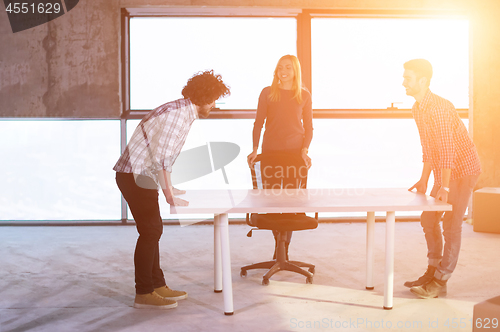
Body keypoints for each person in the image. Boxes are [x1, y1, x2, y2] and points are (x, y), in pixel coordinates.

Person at [114, 70, 230, 309]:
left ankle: (157, 285)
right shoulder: (177, 115)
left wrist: (169, 186)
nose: (215, 104)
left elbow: (163, 155)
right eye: (214, 98)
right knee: (150, 232)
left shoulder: (182, 112)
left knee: (153, 231)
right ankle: (143, 293)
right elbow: (161, 158)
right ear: (205, 96)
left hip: (141, 176)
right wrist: (167, 193)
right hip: (135, 177)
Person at [402, 59, 481, 298]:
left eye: (408, 78)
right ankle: (432, 270)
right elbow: (428, 148)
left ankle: (441, 281)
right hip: (444, 171)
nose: (403, 82)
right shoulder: (417, 108)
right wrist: (424, 180)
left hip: (463, 170)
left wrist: (444, 186)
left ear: (423, 81)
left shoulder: (439, 107)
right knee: (428, 219)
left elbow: (448, 150)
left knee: (451, 226)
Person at [247, 55, 313, 260]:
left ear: (295, 71)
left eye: (288, 67)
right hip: (271, 153)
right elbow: (258, 123)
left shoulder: (303, 95)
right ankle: (278, 245)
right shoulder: (267, 93)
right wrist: (255, 149)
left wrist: (305, 150)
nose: (283, 71)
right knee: (273, 203)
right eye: (280, 67)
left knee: (291, 205)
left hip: (294, 154)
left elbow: (309, 127)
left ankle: (285, 248)